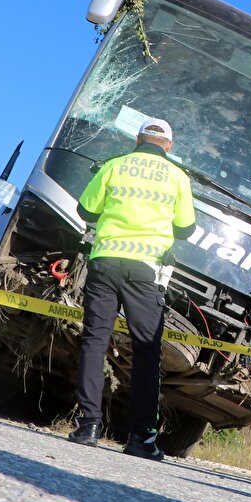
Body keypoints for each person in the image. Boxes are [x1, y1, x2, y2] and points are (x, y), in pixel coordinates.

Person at [67, 117, 196, 461]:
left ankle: (88, 426)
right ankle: (140, 438)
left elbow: (85, 210)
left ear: (138, 139)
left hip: (105, 260)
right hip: (145, 269)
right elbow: (186, 229)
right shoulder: (178, 178)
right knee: (146, 350)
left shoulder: (114, 166)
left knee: (95, 340)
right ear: (168, 145)